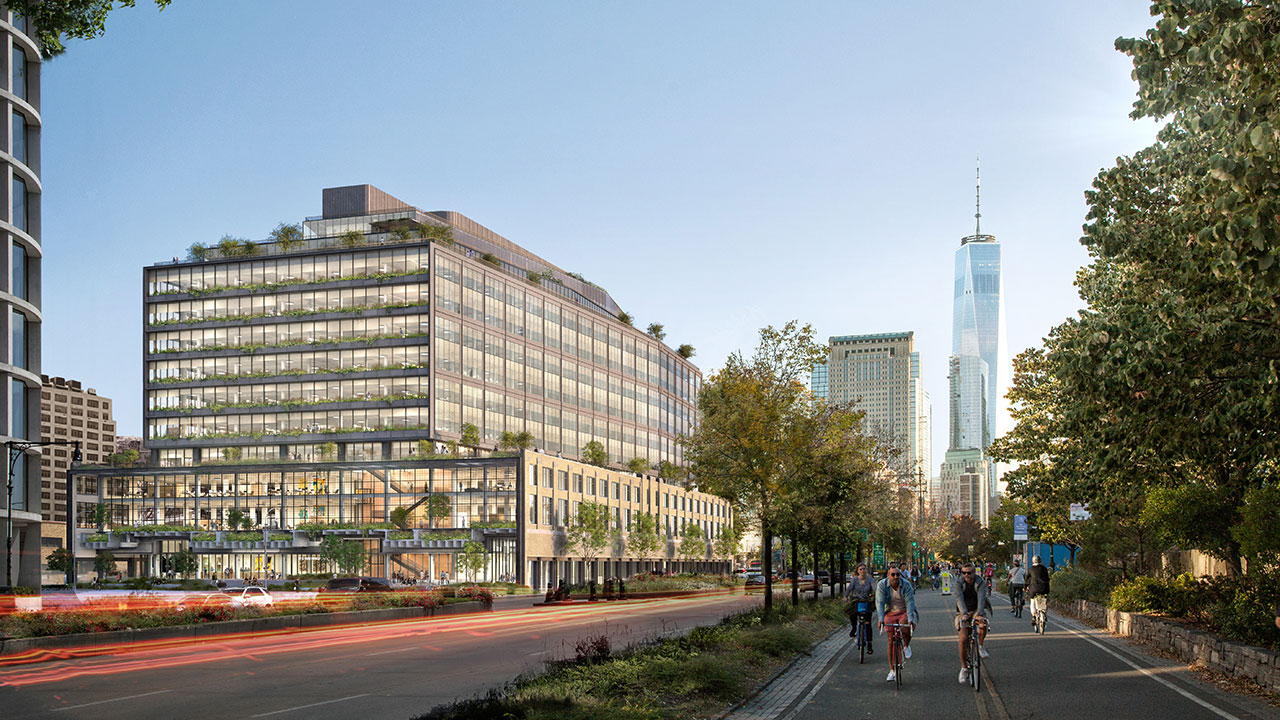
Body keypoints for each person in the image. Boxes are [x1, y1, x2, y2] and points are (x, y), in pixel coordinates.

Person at [875, 564, 919, 683]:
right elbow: (879, 602)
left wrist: (910, 619)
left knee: (905, 627)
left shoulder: (906, 585)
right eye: (893, 575)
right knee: (890, 640)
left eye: (897, 574)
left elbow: (910, 602)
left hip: (904, 610)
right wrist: (881, 619)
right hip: (890, 611)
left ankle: (906, 645)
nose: (895, 577)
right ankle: (892, 670)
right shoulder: (882, 585)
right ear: (888, 576)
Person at [955, 561, 991, 684]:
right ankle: (964, 667)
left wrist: (980, 614)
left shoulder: (980, 582)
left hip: (976, 609)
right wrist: (964, 614)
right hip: (963, 611)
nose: (966, 575)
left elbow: (982, 599)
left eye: (969, 573)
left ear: (974, 572)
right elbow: (959, 599)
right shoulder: (959, 583)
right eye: (964, 573)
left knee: (983, 623)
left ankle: (980, 645)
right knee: (963, 639)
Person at [844, 563, 876, 653]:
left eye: (864, 569)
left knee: (868, 624)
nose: (862, 571)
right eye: (860, 569)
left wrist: (877, 595)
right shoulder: (854, 580)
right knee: (852, 614)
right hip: (856, 601)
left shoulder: (870, 579)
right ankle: (854, 628)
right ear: (857, 571)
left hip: (867, 602)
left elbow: (875, 588)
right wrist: (845, 597)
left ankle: (869, 644)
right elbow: (849, 589)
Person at [1026, 555, 1051, 625]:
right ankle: (1044, 614)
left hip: (1034, 589)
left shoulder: (1031, 569)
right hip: (1044, 588)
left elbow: (1027, 579)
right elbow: (1047, 578)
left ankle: (1034, 615)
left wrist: (1025, 587)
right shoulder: (1044, 568)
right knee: (1045, 601)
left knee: (1032, 601)